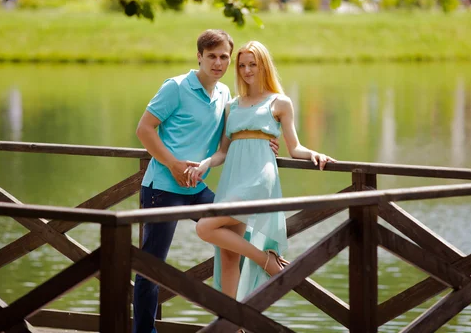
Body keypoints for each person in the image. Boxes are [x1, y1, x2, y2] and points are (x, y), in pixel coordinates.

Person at [133, 30, 278, 333]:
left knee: (233, 240)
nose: (218, 62)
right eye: (211, 56)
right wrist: (172, 165)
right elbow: (144, 129)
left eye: (224, 56)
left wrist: (265, 142)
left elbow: (233, 137)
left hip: (198, 190)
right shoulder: (176, 88)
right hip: (162, 189)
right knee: (151, 268)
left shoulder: (225, 95)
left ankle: (231, 322)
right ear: (199, 56)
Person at [190, 41, 336, 304]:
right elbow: (223, 151)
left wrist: (314, 154)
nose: (247, 70)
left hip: (259, 178)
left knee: (204, 227)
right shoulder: (232, 106)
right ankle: (232, 324)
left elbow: (295, 147)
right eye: (243, 65)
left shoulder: (279, 102)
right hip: (232, 179)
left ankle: (264, 259)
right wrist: (205, 163)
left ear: (263, 65)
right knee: (228, 256)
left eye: (253, 64)